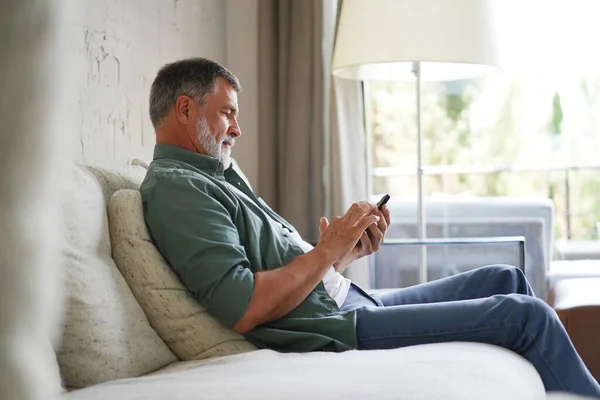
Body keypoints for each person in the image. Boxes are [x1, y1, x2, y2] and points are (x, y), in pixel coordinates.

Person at [140, 57, 600, 398]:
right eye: (227, 113)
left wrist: (347, 252)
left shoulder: (216, 173)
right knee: (529, 315)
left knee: (507, 277)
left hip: (340, 296)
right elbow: (243, 306)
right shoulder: (178, 190)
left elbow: (296, 271)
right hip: (334, 324)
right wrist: (326, 251)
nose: (237, 129)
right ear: (184, 110)